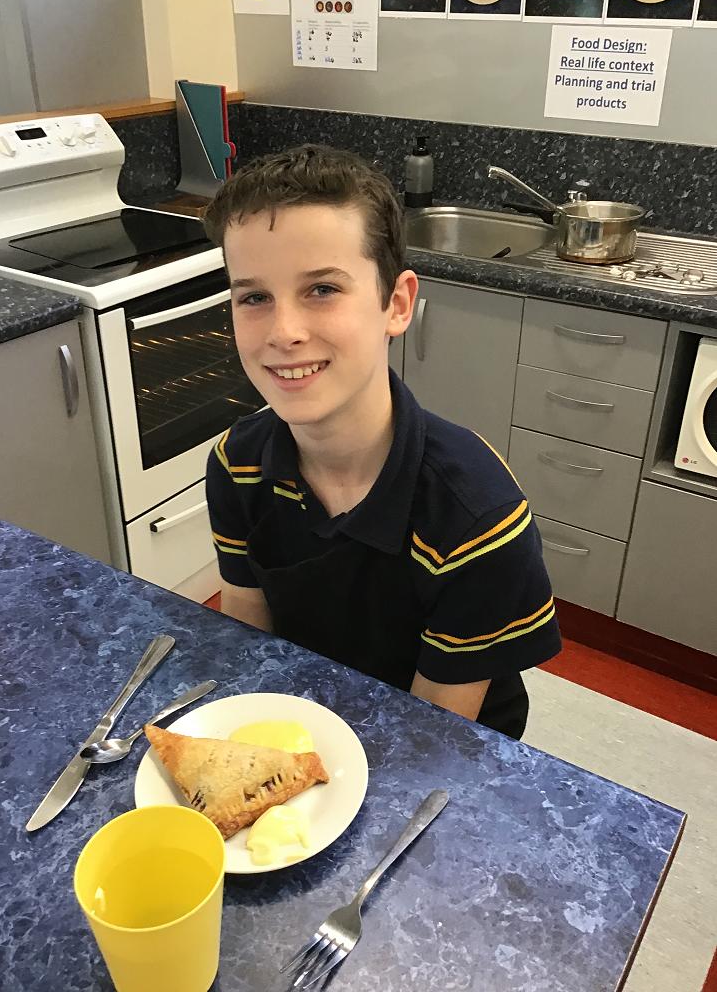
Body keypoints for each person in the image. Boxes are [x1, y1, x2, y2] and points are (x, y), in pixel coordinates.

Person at [202, 144, 561, 741]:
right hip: (306, 726)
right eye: (254, 297)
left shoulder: (475, 517)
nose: (284, 333)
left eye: (322, 289)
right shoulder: (236, 465)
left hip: (436, 749)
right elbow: (249, 656)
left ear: (397, 304)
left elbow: (429, 736)